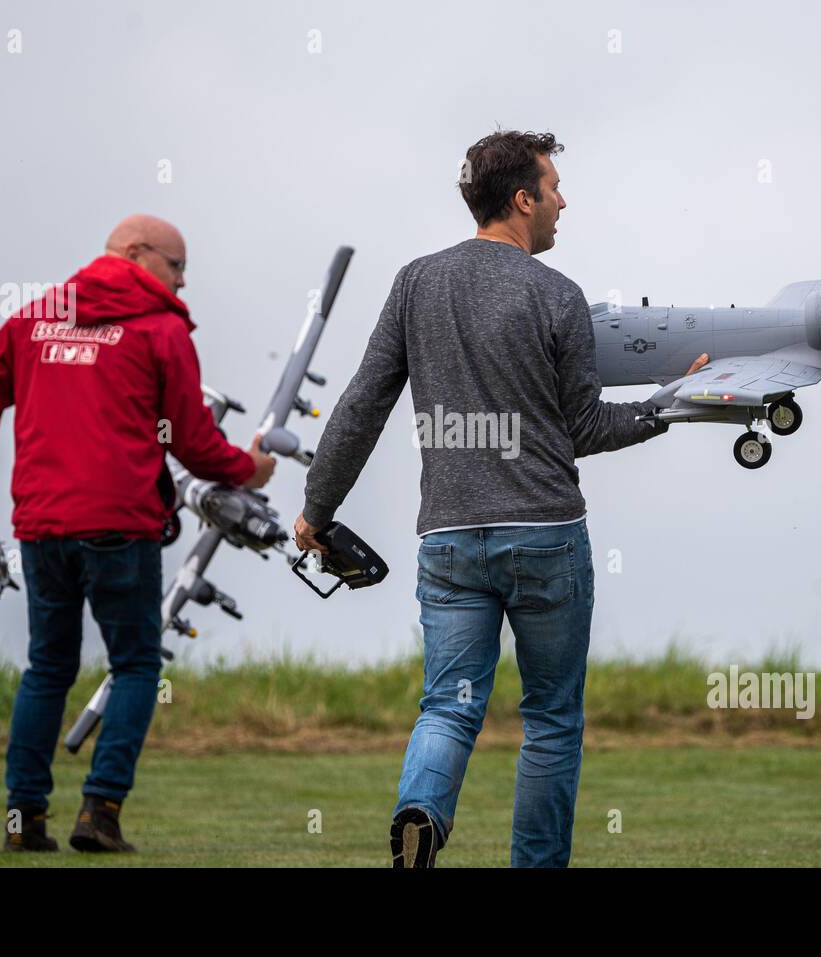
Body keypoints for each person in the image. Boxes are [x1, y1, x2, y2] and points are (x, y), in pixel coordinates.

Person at [293, 131, 707, 867]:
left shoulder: (415, 283)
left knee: (447, 708)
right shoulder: (557, 295)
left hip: (449, 538)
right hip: (546, 533)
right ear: (523, 200)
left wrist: (316, 511)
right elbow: (584, 427)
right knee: (550, 720)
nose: (562, 200)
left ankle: (422, 807)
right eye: (553, 187)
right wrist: (669, 403)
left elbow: (360, 406)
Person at [0, 214, 276, 852]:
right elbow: (191, 440)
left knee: (47, 666)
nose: (182, 285)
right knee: (135, 664)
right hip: (121, 527)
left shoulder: (34, 318)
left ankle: (24, 822)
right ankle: (99, 814)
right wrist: (250, 468)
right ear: (134, 253)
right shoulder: (160, 329)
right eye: (177, 267)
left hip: (40, 526)